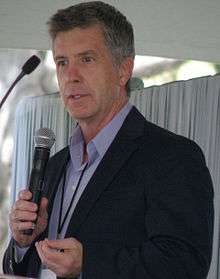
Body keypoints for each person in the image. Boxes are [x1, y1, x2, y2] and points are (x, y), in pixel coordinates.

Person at [3, 1, 214, 278]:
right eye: (62, 62)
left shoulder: (173, 157)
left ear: (123, 70)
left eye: (86, 59)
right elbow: (24, 268)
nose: (71, 76)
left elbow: (185, 263)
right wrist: (21, 243)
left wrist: (88, 263)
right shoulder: (55, 165)